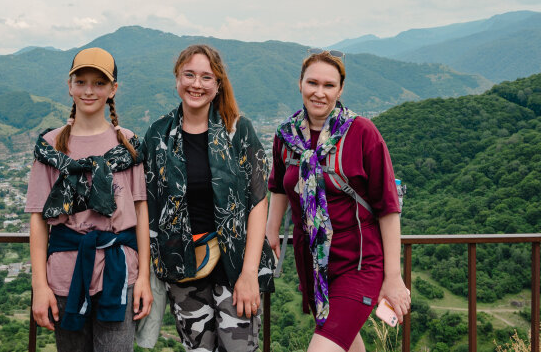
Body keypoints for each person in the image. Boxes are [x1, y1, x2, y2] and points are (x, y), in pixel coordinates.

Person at [265, 50, 409, 352]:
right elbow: (279, 187)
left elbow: (387, 207)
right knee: (345, 342)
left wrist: (394, 278)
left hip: (358, 263)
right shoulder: (286, 135)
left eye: (329, 85)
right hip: (313, 265)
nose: (319, 92)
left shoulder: (362, 133)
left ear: (340, 90)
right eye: (312, 83)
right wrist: (271, 232)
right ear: (300, 84)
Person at [143, 44, 275, 352]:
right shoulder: (158, 134)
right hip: (183, 268)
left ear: (217, 85)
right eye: (189, 75)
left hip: (235, 266)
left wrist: (249, 274)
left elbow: (258, 201)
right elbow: (146, 203)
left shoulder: (237, 130)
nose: (196, 84)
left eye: (206, 77)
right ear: (177, 78)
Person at [25, 47, 152, 352]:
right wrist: (39, 286)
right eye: (80, 82)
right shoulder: (51, 147)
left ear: (113, 89)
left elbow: (141, 211)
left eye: (99, 83)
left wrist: (144, 279)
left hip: (119, 273)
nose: (89, 90)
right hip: (64, 274)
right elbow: (38, 218)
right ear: (69, 86)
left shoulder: (128, 144)